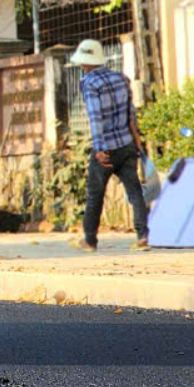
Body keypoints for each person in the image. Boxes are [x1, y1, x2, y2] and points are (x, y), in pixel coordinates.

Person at [70, 39, 150, 252]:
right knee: (135, 191)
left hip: (105, 147)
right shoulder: (121, 78)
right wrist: (137, 141)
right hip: (126, 144)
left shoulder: (89, 83)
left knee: (95, 194)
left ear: (85, 63)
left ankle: (89, 239)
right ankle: (143, 236)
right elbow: (130, 112)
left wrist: (99, 149)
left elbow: (96, 118)